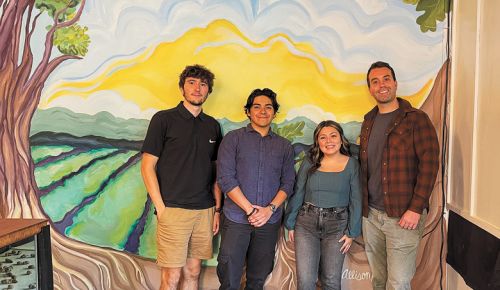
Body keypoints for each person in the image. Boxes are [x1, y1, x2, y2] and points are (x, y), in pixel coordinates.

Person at [141, 64, 222, 290]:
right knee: (172, 277)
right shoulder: (163, 120)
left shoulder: (213, 126)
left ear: (208, 91)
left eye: (203, 84)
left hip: (204, 211)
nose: (197, 88)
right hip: (173, 210)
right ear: (182, 88)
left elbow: (216, 172)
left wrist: (216, 210)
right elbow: (147, 166)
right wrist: (161, 207)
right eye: (192, 83)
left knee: (193, 273)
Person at [359, 61, 439, 290]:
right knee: (379, 280)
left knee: (398, 282)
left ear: (395, 83)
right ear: (370, 89)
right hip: (372, 215)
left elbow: (430, 164)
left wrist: (415, 208)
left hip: (403, 216)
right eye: (375, 81)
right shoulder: (368, 121)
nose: (381, 85)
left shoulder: (416, 119)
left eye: (386, 79)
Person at [216, 88, 296, 290]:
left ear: (274, 113)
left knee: (257, 280)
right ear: (248, 112)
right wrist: (250, 210)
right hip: (236, 219)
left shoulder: (284, 146)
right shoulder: (233, 139)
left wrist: (269, 210)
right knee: (229, 279)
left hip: (268, 223)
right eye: (257, 107)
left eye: (268, 107)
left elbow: (288, 183)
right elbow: (225, 179)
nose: (263, 111)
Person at [284, 120, 362, 290]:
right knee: (305, 282)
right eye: (323, 137)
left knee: (331, 281)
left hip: (338, 226)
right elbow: (299, 191)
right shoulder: (310, 162)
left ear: (341, 139)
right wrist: (290, 223)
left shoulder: (352, 165)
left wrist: (352, 232)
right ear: (317, 142)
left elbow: (356, 199)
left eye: (333, 136)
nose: (329, 141)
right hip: (306, 223)